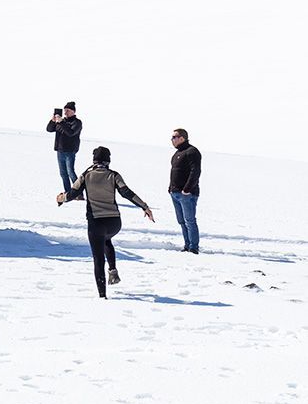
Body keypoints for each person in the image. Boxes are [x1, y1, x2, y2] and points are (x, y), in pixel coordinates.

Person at [57, 146, 154, 298]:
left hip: (96, 223)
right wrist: (145, 206)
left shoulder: (85, 175)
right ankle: (113, 270)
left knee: (98, 258)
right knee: (106, 239)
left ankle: (102, 296)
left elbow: (72, 194)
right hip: (114, 223)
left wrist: (60, 198)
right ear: (108, 160)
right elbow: (127, 193)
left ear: (94, 160)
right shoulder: (114, 175)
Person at [168, 128, 202, 254]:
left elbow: (196, 171)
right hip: (175, 192)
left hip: (187, 194)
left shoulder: (191, 151)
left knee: (190, 221)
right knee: (181, 221)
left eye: (174, 137)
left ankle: (193, 247)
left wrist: (187, 189)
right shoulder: (177, 153)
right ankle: (187, 245)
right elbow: (175, 172)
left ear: (182, 138)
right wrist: (171, 187)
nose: (172, 140)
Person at [46, 101, 82, 193]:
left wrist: (61, 122)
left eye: (68, 110)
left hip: (70, 151)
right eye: (65, 110)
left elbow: (71, 132)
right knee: (63, 173)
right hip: (60, 150)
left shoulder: (77, 122)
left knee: (71, 172)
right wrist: (52, 121)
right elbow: (49, 129)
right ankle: (68, 192)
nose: (65, 112)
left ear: (73, 111)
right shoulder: (61, 121)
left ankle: (78, 193)